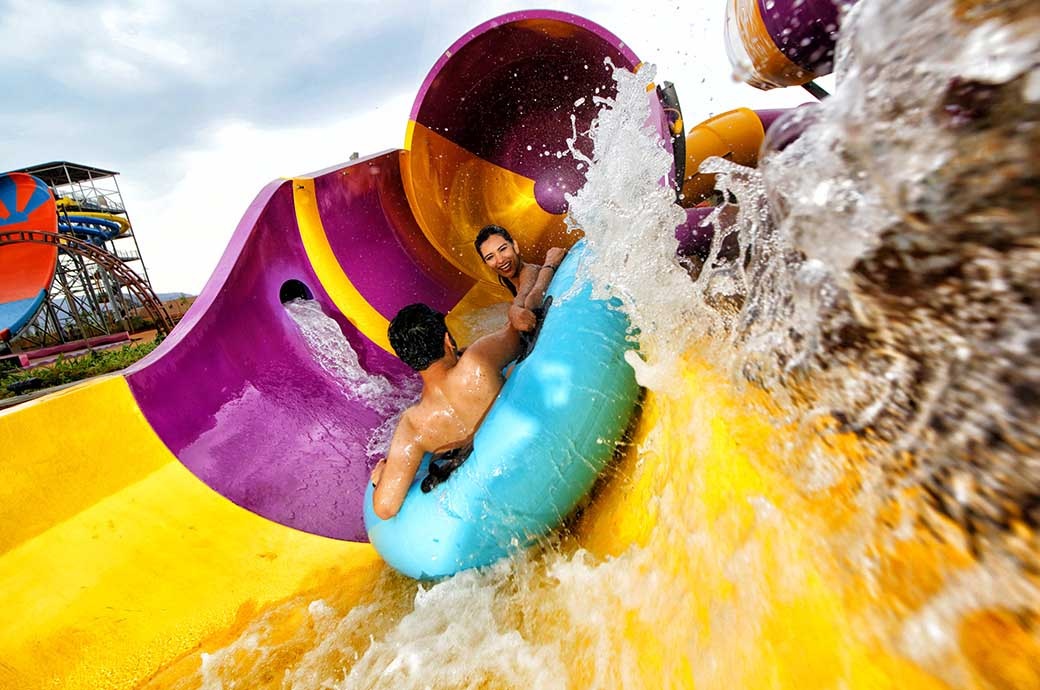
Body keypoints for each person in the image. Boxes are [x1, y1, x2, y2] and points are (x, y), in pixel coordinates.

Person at [370, 303, 523, 519]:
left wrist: (380, 478)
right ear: (448, 340)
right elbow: (519, 333)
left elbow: (385, 508)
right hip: (519, 451)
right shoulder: (477, 361)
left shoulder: (413, 425)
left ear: (409, 361)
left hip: (486, 496)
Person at [474, 225, 568, 332]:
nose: (500, 260)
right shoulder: (514, 283)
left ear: (515, 246)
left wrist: (549, 265)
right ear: (486, 264)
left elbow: (528, 299)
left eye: (503, 249)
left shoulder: (529, 271)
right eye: (490, 257)